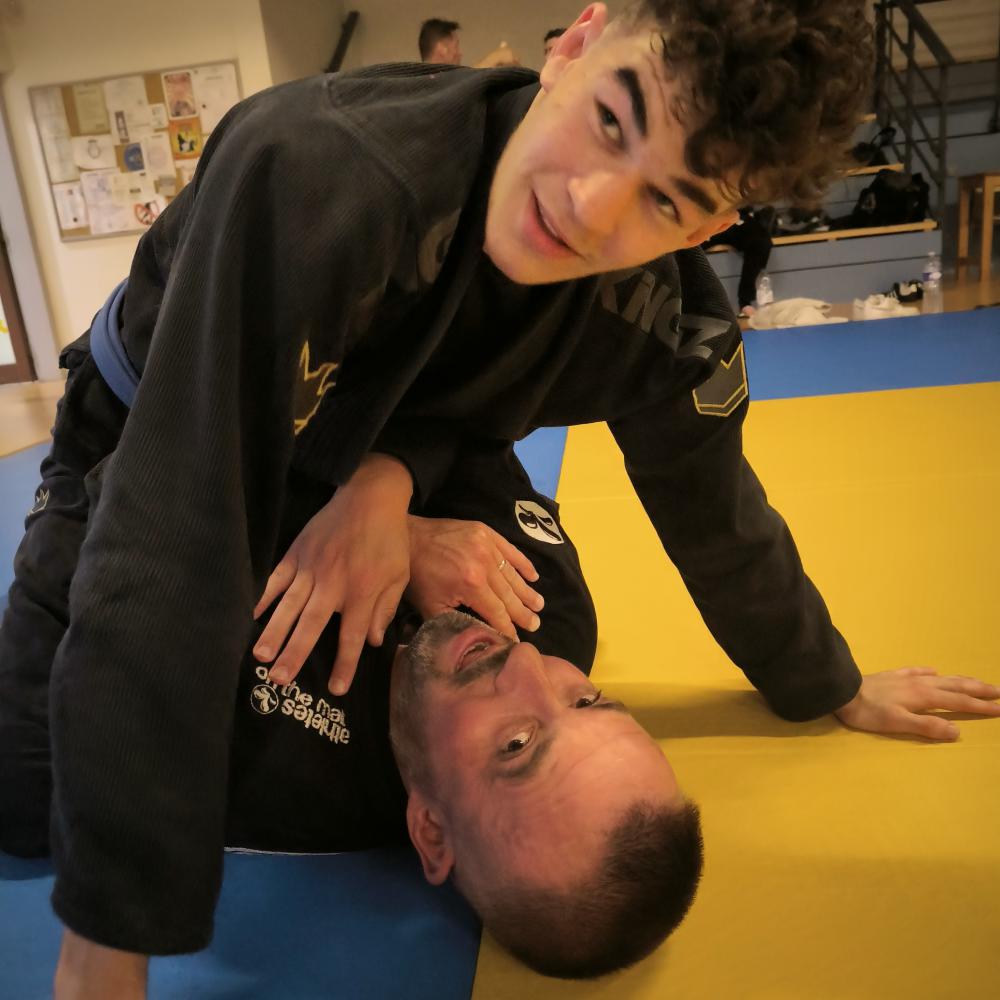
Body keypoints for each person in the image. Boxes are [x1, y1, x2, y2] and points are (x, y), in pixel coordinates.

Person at [5, 0, 999, 993]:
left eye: (667, 202)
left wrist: (825, 682)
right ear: (577, 42)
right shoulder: (323, 170)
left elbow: (716, 514)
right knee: (24, 798)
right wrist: (108, 946)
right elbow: (178, 520)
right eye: (610, 120)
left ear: (713, 226)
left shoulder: (658, 319)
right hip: (149, 422)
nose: (591, 206)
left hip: (399, 435)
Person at [702, 206, 774, 318]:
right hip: (707, 216)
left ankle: (745, 302)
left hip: (738, 216)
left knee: (761, 241)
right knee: (683, 245)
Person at [418, 17, 519, 69]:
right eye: (456, 46)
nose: (460, 53)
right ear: (442, 49)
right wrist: (496, 58)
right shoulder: (426, 84)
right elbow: (460, 86)